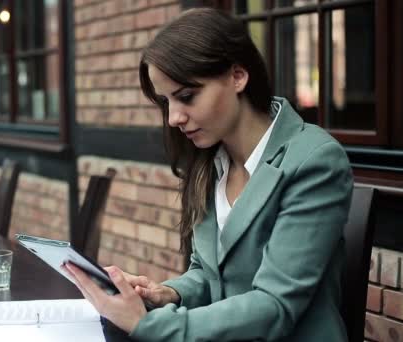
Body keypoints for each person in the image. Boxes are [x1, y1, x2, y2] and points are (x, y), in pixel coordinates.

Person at [63, 7, 353, 342]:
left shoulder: (314, 160)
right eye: (166, 102)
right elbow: (208, 274)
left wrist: (149, 325)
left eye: (186, 96)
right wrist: (168, 294)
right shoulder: (212, 162)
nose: (173, 117)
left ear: (238, 76)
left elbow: (274, 305)